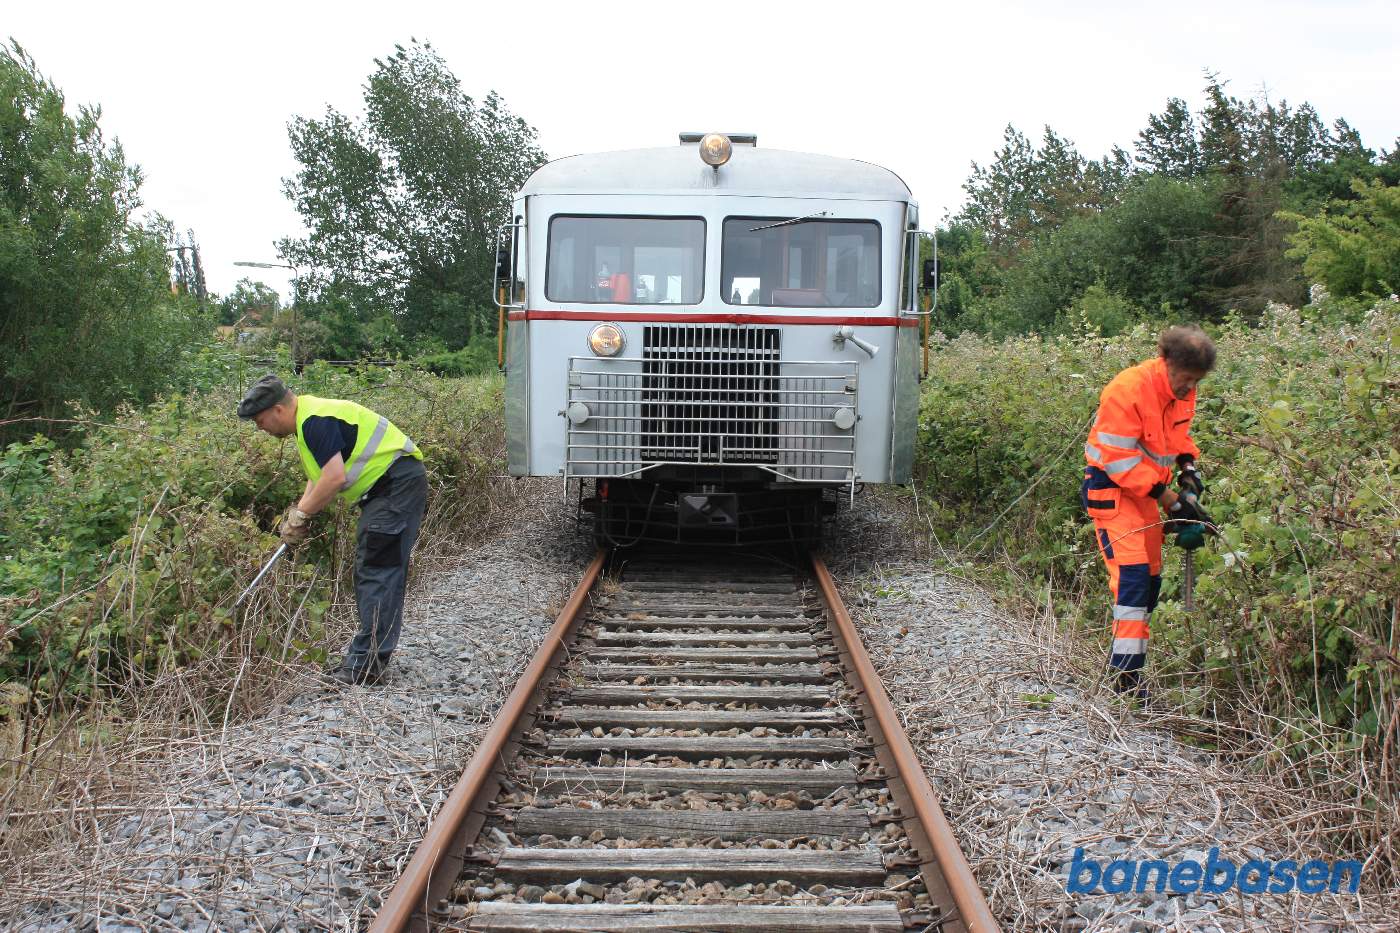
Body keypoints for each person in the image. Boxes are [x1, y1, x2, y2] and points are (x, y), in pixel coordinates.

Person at [238, 375, 427, 685]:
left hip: (394, 486)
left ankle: (365, 667)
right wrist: (297, 517)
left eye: (260, 421)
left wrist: (302, 515)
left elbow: (334, 478)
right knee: (375, 570)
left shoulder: (314, 422)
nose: (260, 428)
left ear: (278, 410)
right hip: (393, 487)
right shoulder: (307, 421)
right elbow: (318, 477)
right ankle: (368, 660)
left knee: (377, 571)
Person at [1082, 326, 1216, 697]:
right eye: (1184, 378)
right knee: (1133, 580)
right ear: (1167, 362)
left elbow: (1178, 438)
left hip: (1147, 495)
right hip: (1112, 490)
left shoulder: (1183, 392)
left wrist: (1189, 470)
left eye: (1196, 381)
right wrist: (1171, 499)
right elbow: (1118, 459)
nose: (1189, 388)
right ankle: (1126, 681)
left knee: (1152, 582)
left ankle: (1131, 667)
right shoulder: (1128, 390)